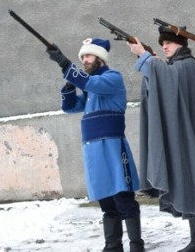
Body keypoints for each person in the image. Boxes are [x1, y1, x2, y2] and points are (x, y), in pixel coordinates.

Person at [127, 26, 195, 252]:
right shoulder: (173, 66)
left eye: (169, 42)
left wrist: (145, 57)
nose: (165, 46)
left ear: (182, 44)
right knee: (189, 183)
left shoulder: (188, 64)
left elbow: (169, 78)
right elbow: (162, 83)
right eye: (162, 44)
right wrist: (152, 63)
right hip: (183, 137)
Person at [46, 37, 144, 252]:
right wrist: (70, 83)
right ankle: (113, 246)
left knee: (123, 198)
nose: (85, 60)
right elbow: (70, 107)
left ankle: (137, 246)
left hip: (112, 145)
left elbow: (92, 83)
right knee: (106, 201)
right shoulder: (90, 89)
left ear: (100, 57)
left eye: (88, 56)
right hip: (92, 148)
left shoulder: (112, 78)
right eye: (82, 58)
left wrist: (65, 64)